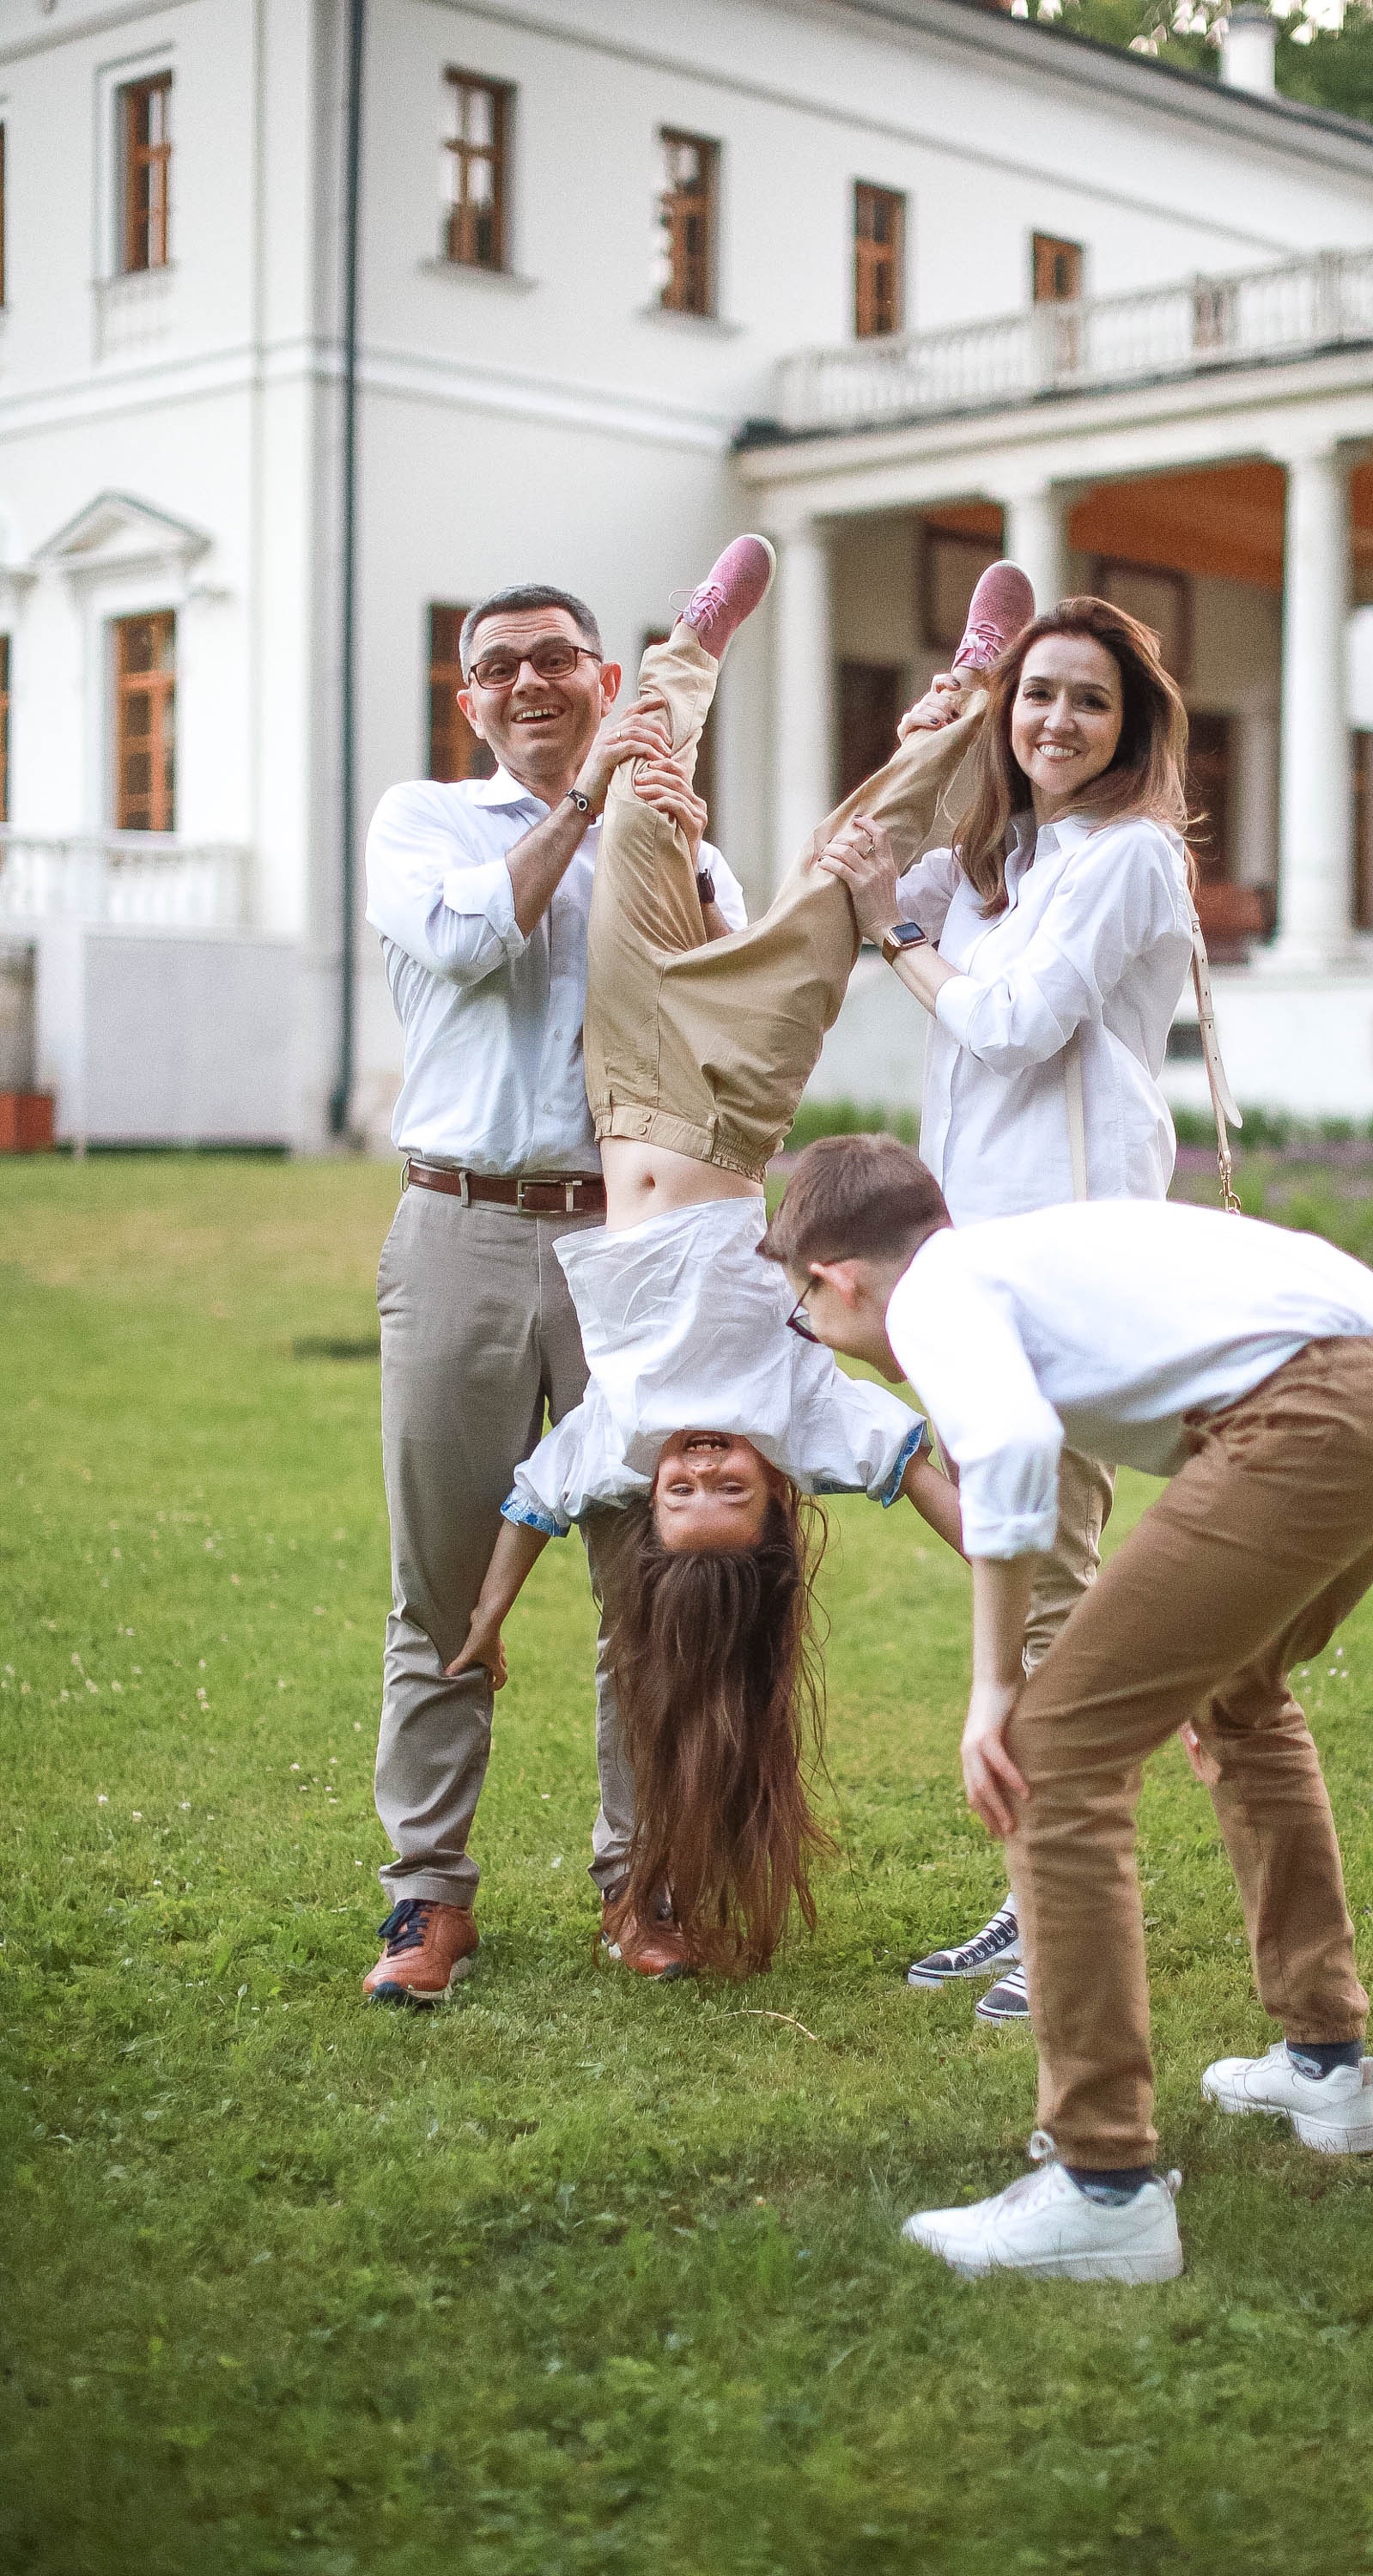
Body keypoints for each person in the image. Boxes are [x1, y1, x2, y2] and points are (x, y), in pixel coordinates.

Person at [447, 542, 1039, 1976]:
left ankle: (683, 653)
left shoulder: (617, 1435)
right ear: (773, 1506)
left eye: (684, 1493)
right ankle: (965, 695)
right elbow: (941, 1492)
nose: (703, 1465)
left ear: (653, 1509)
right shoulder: (806, 1417)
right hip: (733, 1107)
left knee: (644, 812)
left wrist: (483, 1629)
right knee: (855, 866)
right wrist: (1021, 1605)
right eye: (730, 1491)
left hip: (624, 1074)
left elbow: (528, 1511)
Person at [759, 1133, 1373, 2283]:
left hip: (1322, 1405)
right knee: (1238, 1700)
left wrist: (995, 1688)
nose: (818, 1335)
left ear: (836, 1278)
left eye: (803, 1313)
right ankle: (1328, 2065)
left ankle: (1104, 2184)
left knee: (1051, 1758)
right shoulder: (1007, 1261)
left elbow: (1015, 1448)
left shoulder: (936, 1290)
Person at [361, 579, 748, 2003]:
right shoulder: (425, 822)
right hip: (459, 1226)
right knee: (444, 1584)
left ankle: (642, 1884)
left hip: (625, 1247)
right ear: (469, 702)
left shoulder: (659, 823)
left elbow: (729, 1010)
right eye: (496, 666)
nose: (526, 681)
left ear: (603, 677)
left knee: (646, 1577)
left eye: (554, 659)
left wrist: (686, 858)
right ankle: (427, 1899)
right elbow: (472, 943)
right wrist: (583, 809)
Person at [816, 596, 1199, 2025]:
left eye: (1087, 702)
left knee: (1052, 1590)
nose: (1056, 723)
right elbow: (839, 864)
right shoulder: (995, 861)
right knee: (1026, 1574)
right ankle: (1033, 1891)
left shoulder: (1130, 860)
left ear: (1131, 725)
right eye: (1033, 696)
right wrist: (929, 732)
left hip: (1072, 1265)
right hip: (973, 1266)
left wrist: (895, 941)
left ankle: (1063, 1913)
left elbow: (1014, 1023)